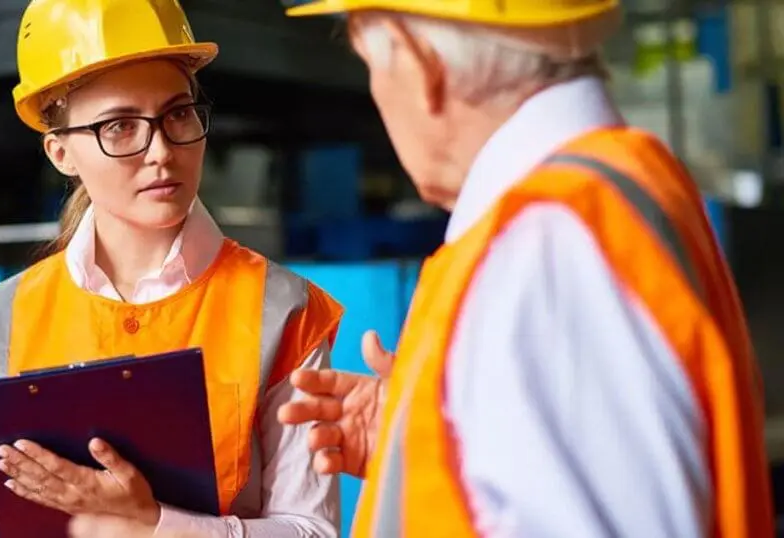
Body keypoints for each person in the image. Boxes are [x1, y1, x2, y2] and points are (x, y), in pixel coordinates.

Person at [276, 0, 774, 537]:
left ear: (421, 65)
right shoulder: (619, 190)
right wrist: (430, 439)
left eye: (370, 63)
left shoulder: (546, 250)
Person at [0, 0, 344, 536]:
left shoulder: (281, 310)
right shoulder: (3, 322)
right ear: (60, 152)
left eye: (178, 113)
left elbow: (311, 530)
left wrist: (155, 525)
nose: (160, 150)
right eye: (119, 127)